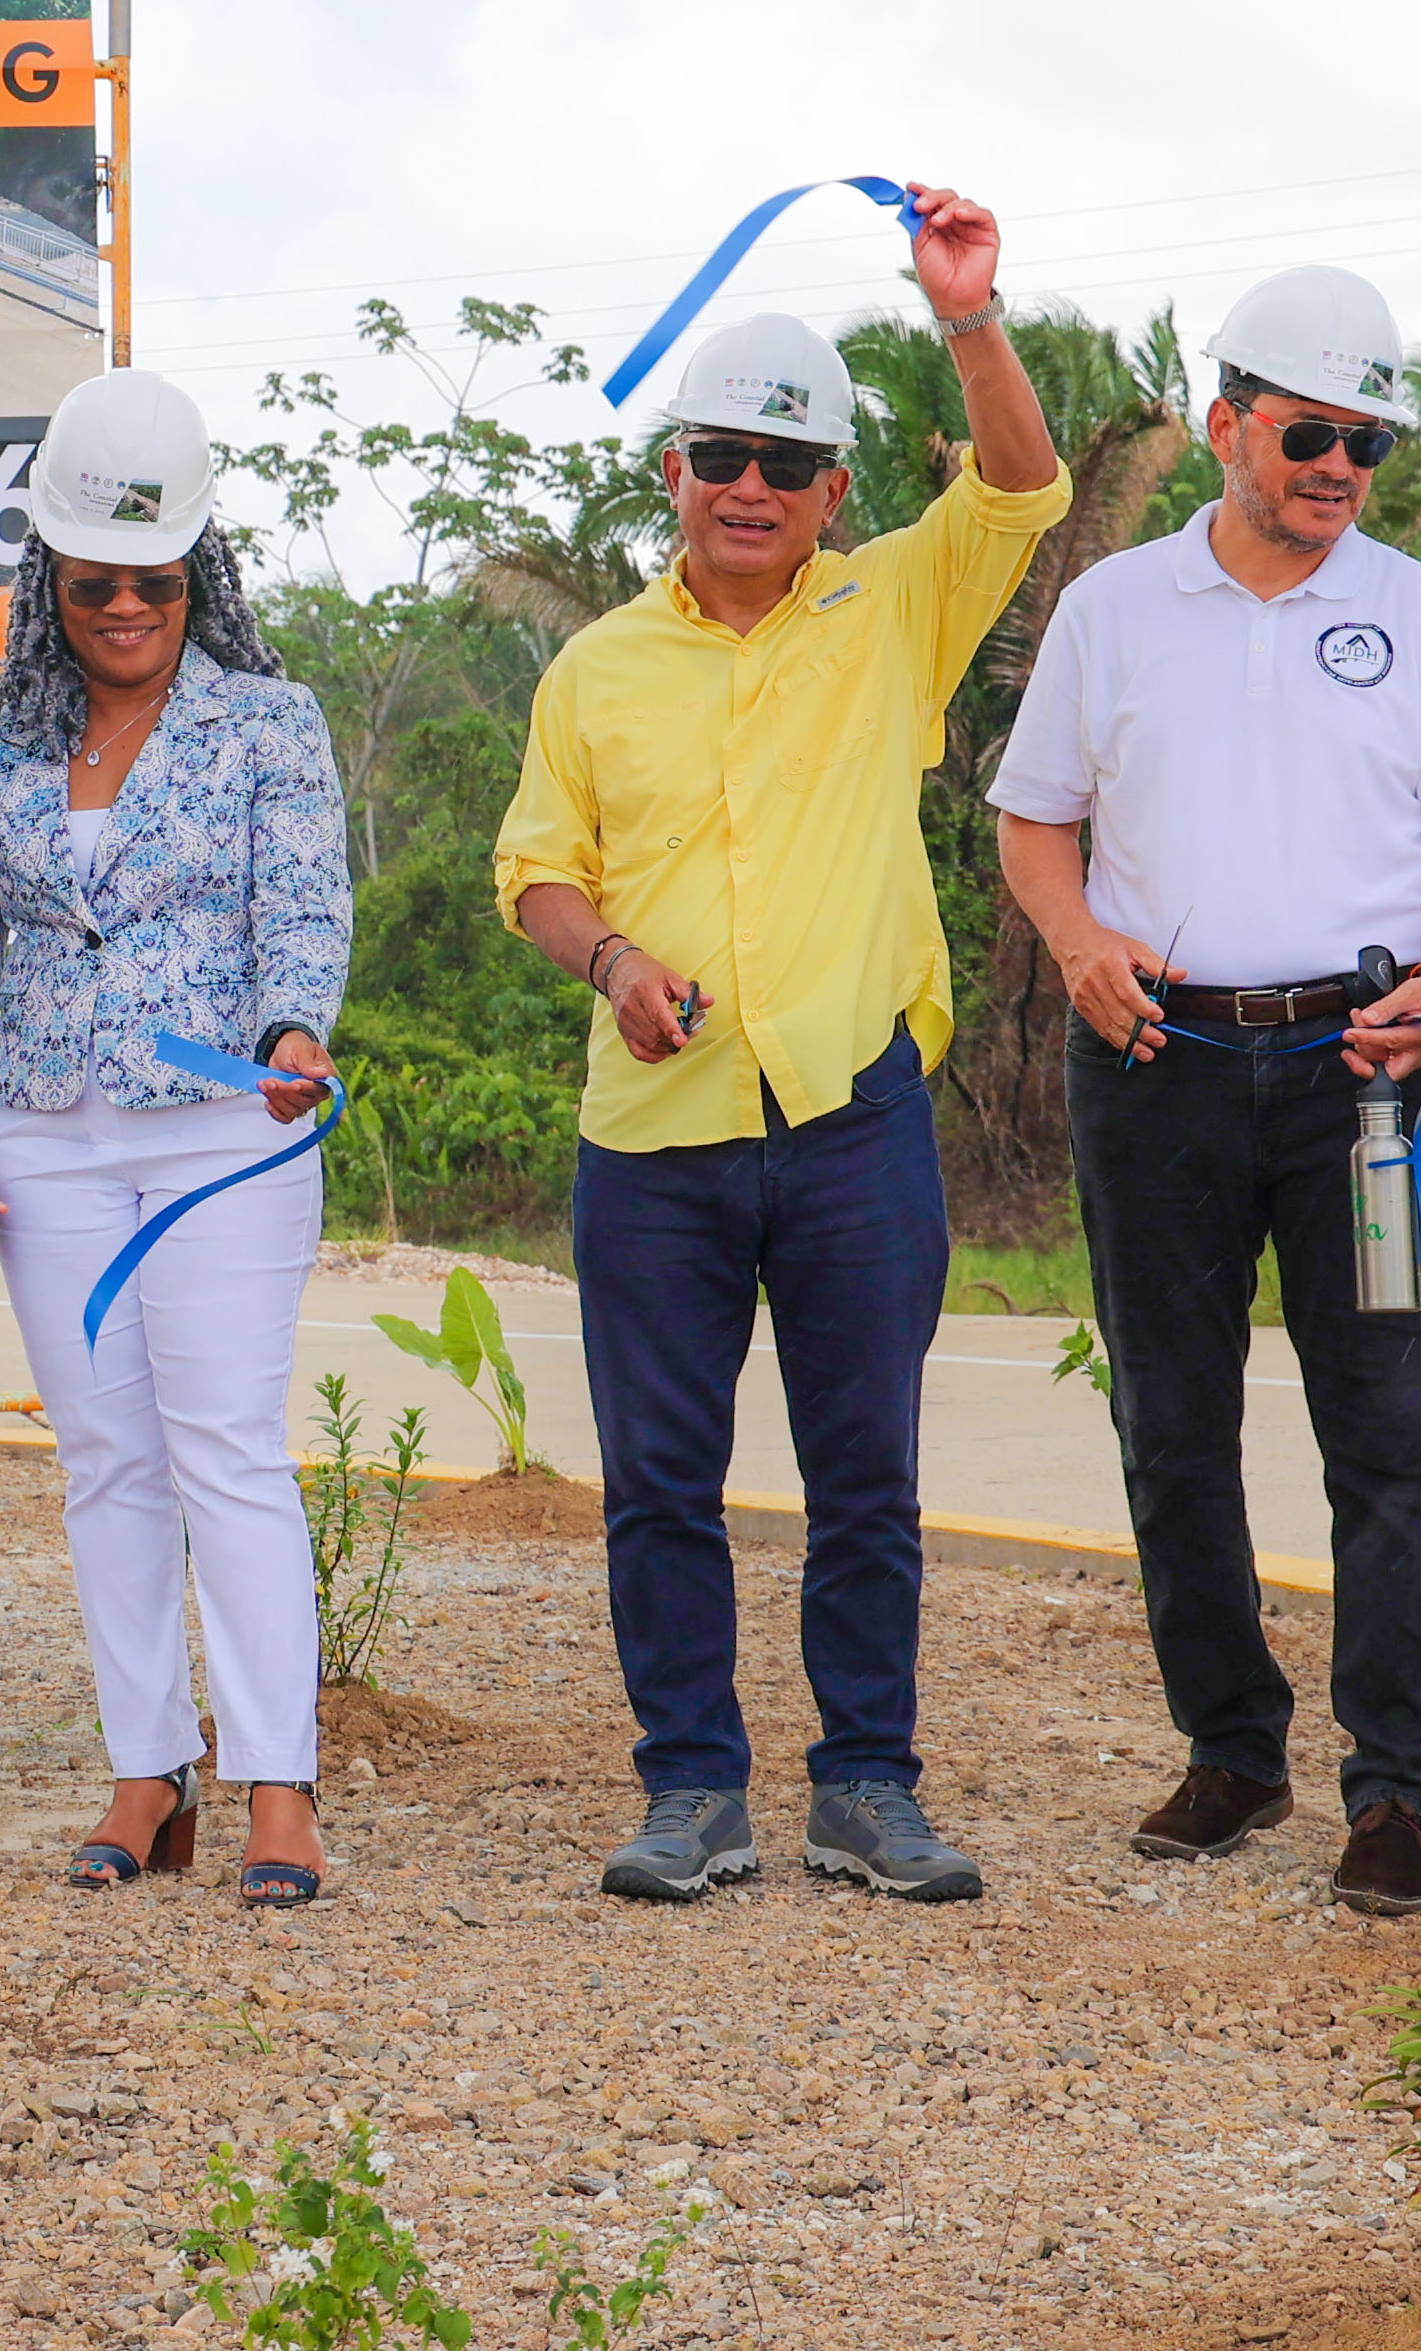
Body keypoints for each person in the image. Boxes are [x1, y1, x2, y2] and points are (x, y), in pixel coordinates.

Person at [490, 205, 1070, 1911]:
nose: (750, 486)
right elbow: (535, 868)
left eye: (788, 462)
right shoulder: (597, 668)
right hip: (654, 1131)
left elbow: (1025, 490)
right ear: (674, 470)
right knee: (660, 1482)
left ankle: (868, 1788)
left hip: (851, 1115)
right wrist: (608, 960)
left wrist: (967, 315)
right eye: (722, 455)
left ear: (833, 491)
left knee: (865, 1475)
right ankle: (690, 1792)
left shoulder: (894, 612)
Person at [989, 267, 1421, 1922]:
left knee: (1383, 1429)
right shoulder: (1112, 612)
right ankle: (1232, 1749)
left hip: (1365, 1087)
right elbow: (1035, 822)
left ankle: (1399, 1792)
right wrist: (1080, 944)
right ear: (1229, 425)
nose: (1337, 468)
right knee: (1171, 1424)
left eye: (1364, 444)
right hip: (1157, 1066)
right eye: (1310, 433)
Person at [0, 370, 349, 1908]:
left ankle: (275, 1784)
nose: (122, 606)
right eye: (93, 579)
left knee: (224, 1447)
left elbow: (302, 911)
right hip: (45, 1144)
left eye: (151, 580)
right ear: (53, 580)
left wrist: (296, 1031)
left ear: (195, 573)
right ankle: (146, 1771)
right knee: (104, 1461)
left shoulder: (268, 723)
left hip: (227, 1124)